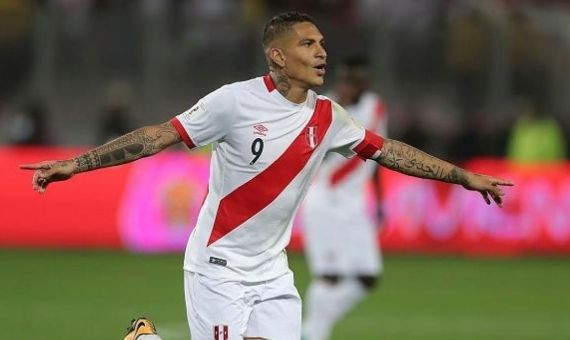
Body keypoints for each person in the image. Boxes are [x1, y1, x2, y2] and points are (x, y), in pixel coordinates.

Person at [21, 12, 512, 340]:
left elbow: (389, 152)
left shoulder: (328, 116)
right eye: (307, 44)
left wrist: (462, 177)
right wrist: (78, 163)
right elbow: (158, 135)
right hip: (219, 266)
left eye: (322, 43)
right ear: (277, 56)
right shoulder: (233, 102)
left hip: (273, 272)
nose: (321, 52)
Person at [301, 56, 387, 340]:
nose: (351, 86)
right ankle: (315, 334)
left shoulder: (375, 107)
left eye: (357, 81)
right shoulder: (325, 108)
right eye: (347, 80)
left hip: (353, 204)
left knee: (367, 276)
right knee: (330, 275)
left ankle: (309, 330)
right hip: (325, 198)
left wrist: (379, 200)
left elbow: (376, 157)